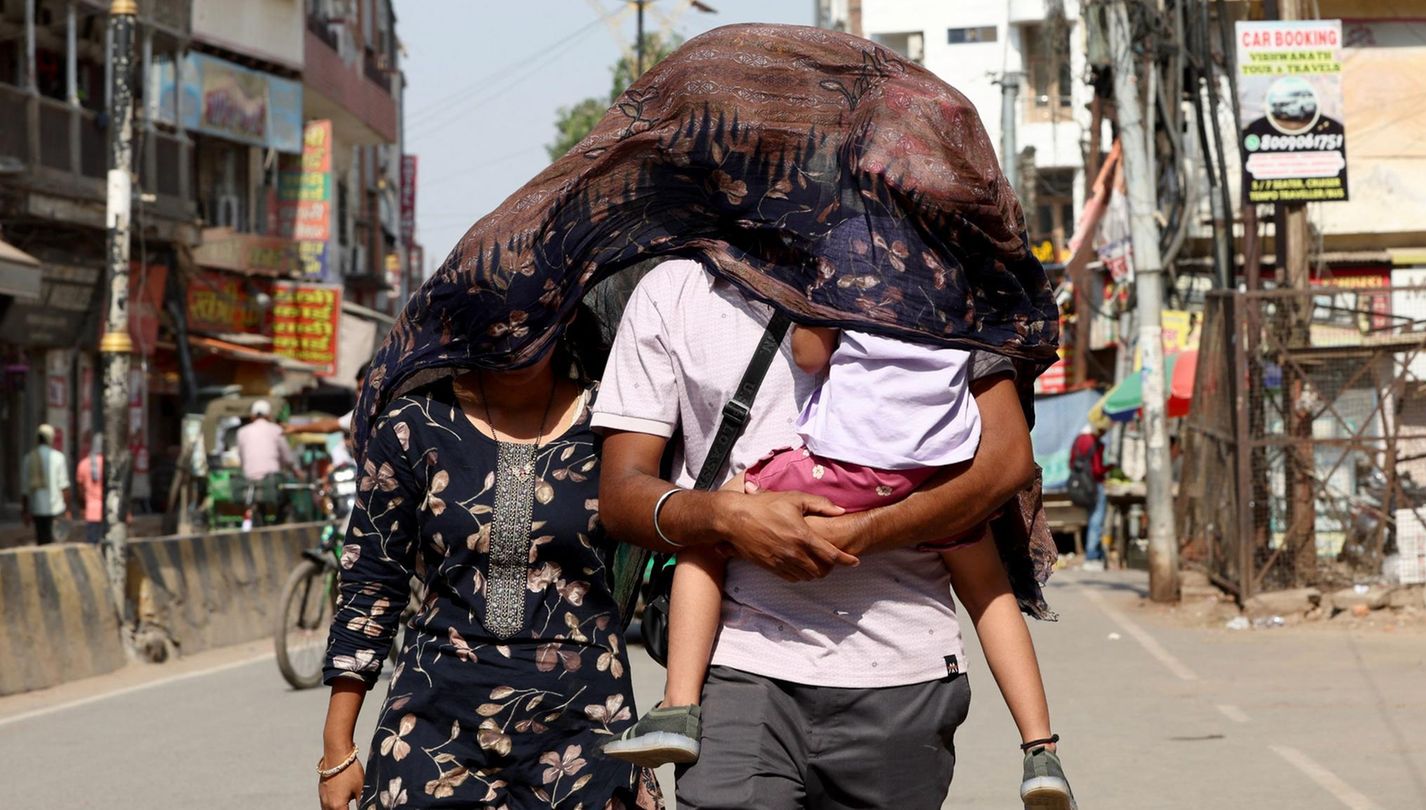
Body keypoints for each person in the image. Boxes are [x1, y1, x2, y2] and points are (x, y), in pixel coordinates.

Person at [593, 259, 1056, 810]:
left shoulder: (935, 273)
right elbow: (622, 496)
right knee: (721, 519)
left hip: (904, 680)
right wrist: (726, 518)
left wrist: (857, 532)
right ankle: (1040, 748)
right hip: (742, 673)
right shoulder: (673, 290)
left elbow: (1006, 462)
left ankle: (677, 705)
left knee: (716, 530)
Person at [317, 313, 663, 810]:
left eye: (535, 313)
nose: (517, 331)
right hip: (435, 723)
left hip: (584, 730)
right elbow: (370, 583)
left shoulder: (617, 424)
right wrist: (338, 747)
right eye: (499, 313)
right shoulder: (415, 425)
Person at [236, 399, 299, 523]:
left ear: (252, 416)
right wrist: (296, 470)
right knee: (287, 498)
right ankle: (279, 523)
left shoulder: (241, 432)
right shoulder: (276, 430)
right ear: (269, 415)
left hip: (249, 479)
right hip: (272, 479)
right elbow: (287, 458)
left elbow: (242, 458)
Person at [21, 424, 71, 546]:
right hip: (57, 509)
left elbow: (25, 490)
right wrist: (68, 509)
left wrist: (25, 511)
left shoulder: (29, 458)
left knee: (42, 543)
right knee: (56, 545)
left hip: (37, 509)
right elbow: (64, 486)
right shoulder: (58, 457)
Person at [1070, 424, 1108, 571]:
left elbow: (1071, 462)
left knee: (1091, 518)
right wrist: (1110, 467)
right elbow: (1097, 469)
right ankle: (1091, 556)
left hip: (1083, 486)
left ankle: (1093, 554)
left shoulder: (1078, 440)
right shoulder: (1092, 441)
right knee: (1096, 520)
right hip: (1095, 485)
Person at [74, 433, 105, 544]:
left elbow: (80, 491)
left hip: (91, 512)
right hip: (107, 512)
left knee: (92, 547)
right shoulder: (108, 464)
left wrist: (83, 508)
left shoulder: (83, 464)